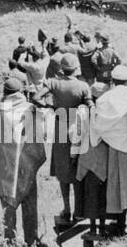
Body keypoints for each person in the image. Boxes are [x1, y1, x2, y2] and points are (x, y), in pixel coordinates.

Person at [0, 76, 47, 247]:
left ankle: (10, 240)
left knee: (8, 203)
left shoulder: (1, 111)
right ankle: (32, 240)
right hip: (27, 164)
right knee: (29, 202)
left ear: (5, 93)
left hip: (7, 165)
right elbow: (39, 136)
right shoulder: (31, 109)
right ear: (20, 92)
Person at [33, 53, 91, 225]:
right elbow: (90, 106)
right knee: (78, 170)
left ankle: (66, 209)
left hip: (60, 128)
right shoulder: (83, 86)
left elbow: (36, 97)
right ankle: (79, 211)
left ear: (62, 69)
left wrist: (51, 106)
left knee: (62, 171)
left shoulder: (53, 82)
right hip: (78, 129)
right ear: (76, 68)